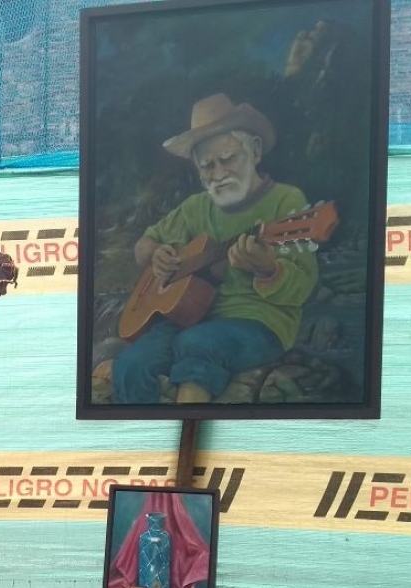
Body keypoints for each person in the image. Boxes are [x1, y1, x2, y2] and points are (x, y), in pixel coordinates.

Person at [112, 94, 318, 405]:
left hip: (259, 324)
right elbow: (144, 246)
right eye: (207, 165)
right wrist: (157, 253)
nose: (218, 173)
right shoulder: (196, 208)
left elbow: (303, 287)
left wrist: (268, 269)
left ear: (255, 152)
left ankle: (189, 439)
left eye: (227, 158)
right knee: (130, 366)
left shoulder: (286, 203)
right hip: (190, 318)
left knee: (198, 342)